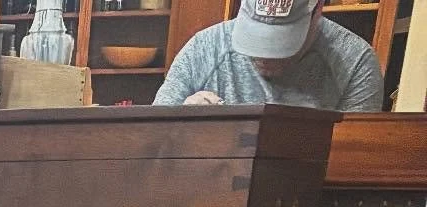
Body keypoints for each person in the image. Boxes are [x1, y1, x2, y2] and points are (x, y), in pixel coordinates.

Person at [155, 0, 384, 112]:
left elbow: (353, 171)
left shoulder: (355, 64)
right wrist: (180, 127)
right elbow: (149, 147)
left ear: (318, 11)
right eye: (256, 34)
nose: (265, 56)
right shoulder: (202, 50)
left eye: (282, 39)